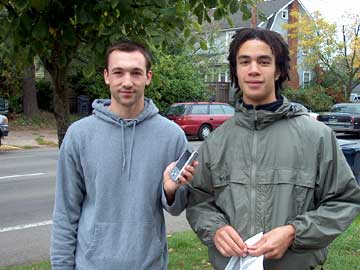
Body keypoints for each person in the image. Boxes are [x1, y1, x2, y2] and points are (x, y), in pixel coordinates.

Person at [186, 27, 360, 270]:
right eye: (244, 61)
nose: (254, 70)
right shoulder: (216, 142)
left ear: (278, 70)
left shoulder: (317, 137)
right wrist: (215, 229)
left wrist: (294, 232)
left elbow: (345, 201)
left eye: (264, 61)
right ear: (235, 70)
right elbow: (199, 202)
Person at [51, 40, 198, 270]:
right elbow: (65, 214)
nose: (127, 82)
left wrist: (169, 190)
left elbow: (176, 208)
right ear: (107, 76)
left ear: (148, 77)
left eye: (136, 73)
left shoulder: (172, 135)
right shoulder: (79, 135)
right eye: (118, 72)